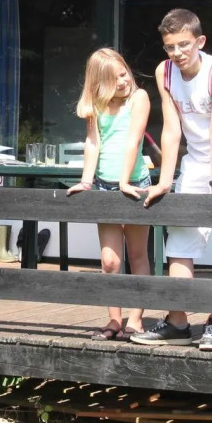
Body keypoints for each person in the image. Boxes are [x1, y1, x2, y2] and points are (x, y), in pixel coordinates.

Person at [130, 9, 212, 351]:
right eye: (170, 46)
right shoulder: (164, 71)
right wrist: (165, 180)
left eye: (184, 44)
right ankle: (178, 322)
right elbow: (172, 130)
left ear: (199, 42)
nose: (177, 52)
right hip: (195, 160)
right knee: (180, 243)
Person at [65, 48, 152, 340]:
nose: (123, 81)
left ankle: (136, 320)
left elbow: (133, 140)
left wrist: (125, 181)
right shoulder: (97, 106)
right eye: (114, 79)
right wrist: (86, 182)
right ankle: (114, 319)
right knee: (110, 261)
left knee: (138, 253)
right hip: (103, 184)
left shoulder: (139, 99)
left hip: (135, 183)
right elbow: (93, 143)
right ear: (100, 84)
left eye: (124, 73)